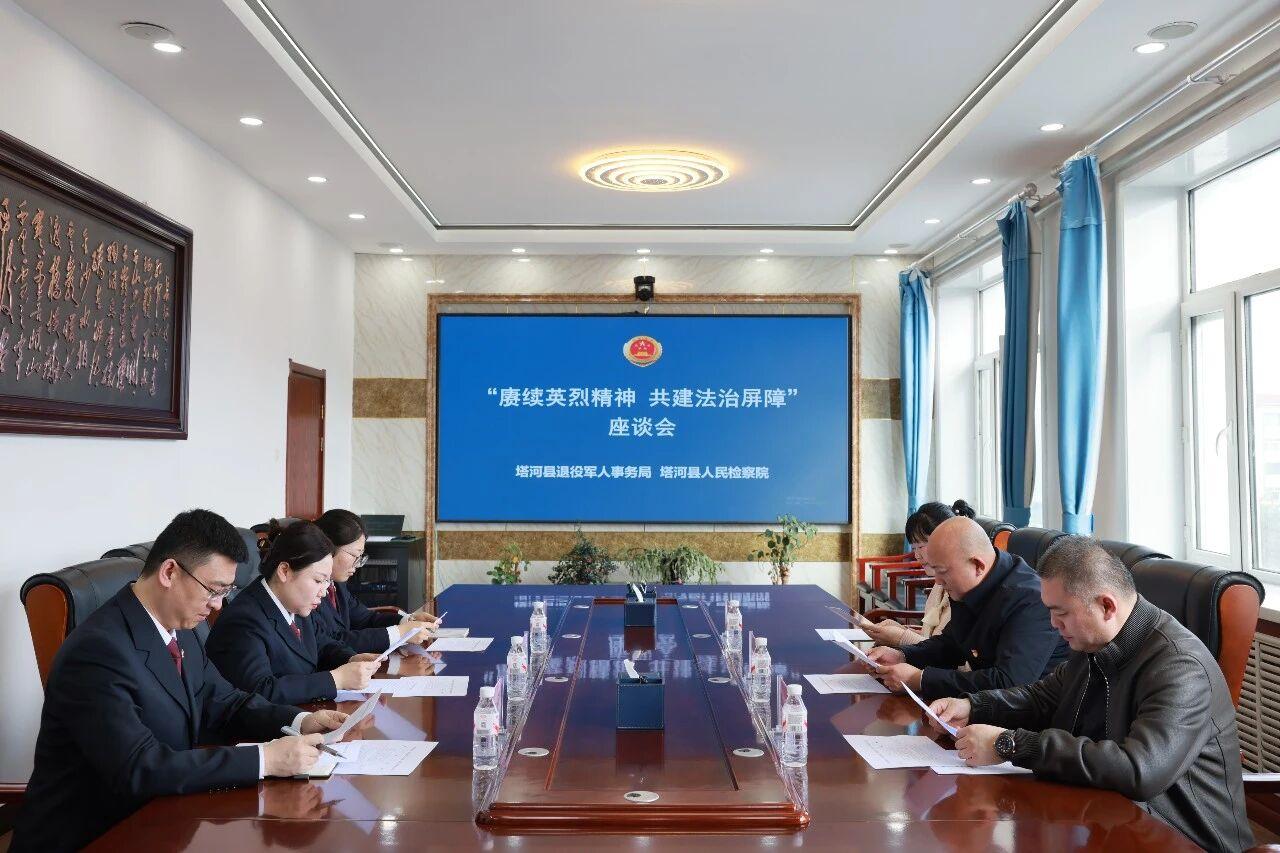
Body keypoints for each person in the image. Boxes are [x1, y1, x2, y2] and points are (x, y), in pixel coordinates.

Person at [12, 509, 347, 852]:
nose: (218, 605)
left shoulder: (180, 630)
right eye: (214, 590)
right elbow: (140, 766)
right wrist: (266, 760)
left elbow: (225, 701)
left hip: (161, 818)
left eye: (227, 591)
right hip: (94, 837)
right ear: (170, 572)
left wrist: (299, 720)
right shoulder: (97, 652)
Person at [928, 536, 1252, 853]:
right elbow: (1042, 699)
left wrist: (1011, 744)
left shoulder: (1181, 667)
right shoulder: (1097, 642)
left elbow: (1139, 770)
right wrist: (973, 706)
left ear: (1106, 606)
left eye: (1061, 613)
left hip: (1179, 838)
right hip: (1109, 819)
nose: (1053, 624)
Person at [867, 516, 1068, 700]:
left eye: (942, 571)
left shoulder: (1031, 599)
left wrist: (920, 679)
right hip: (983, 706)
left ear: (977, 565)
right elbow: (952, 643)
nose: (937, 581)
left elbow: (1009, 683)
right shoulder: (970, 584)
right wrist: (903, 655)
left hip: (1031, 716)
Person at [207, 520, 380, 704]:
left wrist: (351, 658)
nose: (323, 592)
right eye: (318, 580)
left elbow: (322, 645)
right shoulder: (243, 621)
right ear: (284, 571)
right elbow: (261, 691)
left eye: (326, 581)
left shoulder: (296, 605)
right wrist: (336, 679)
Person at [312, 509, 438, 653]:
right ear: (328, 548)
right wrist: (399, 633)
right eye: (354, 555)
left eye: (360, 557)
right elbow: (332, 642)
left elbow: (365, 619)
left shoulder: (336, 584)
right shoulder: (310, 592)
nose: (357, 564)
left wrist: (407, 621)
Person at [861, 499, 975, 648]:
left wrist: (901, 637)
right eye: (914, 548)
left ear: (946, 541)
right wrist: (899, 630)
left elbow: (949, 654)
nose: (917, 555)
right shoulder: (939, 584)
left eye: (921, 546)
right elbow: (932, 638)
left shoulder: (965, 590)